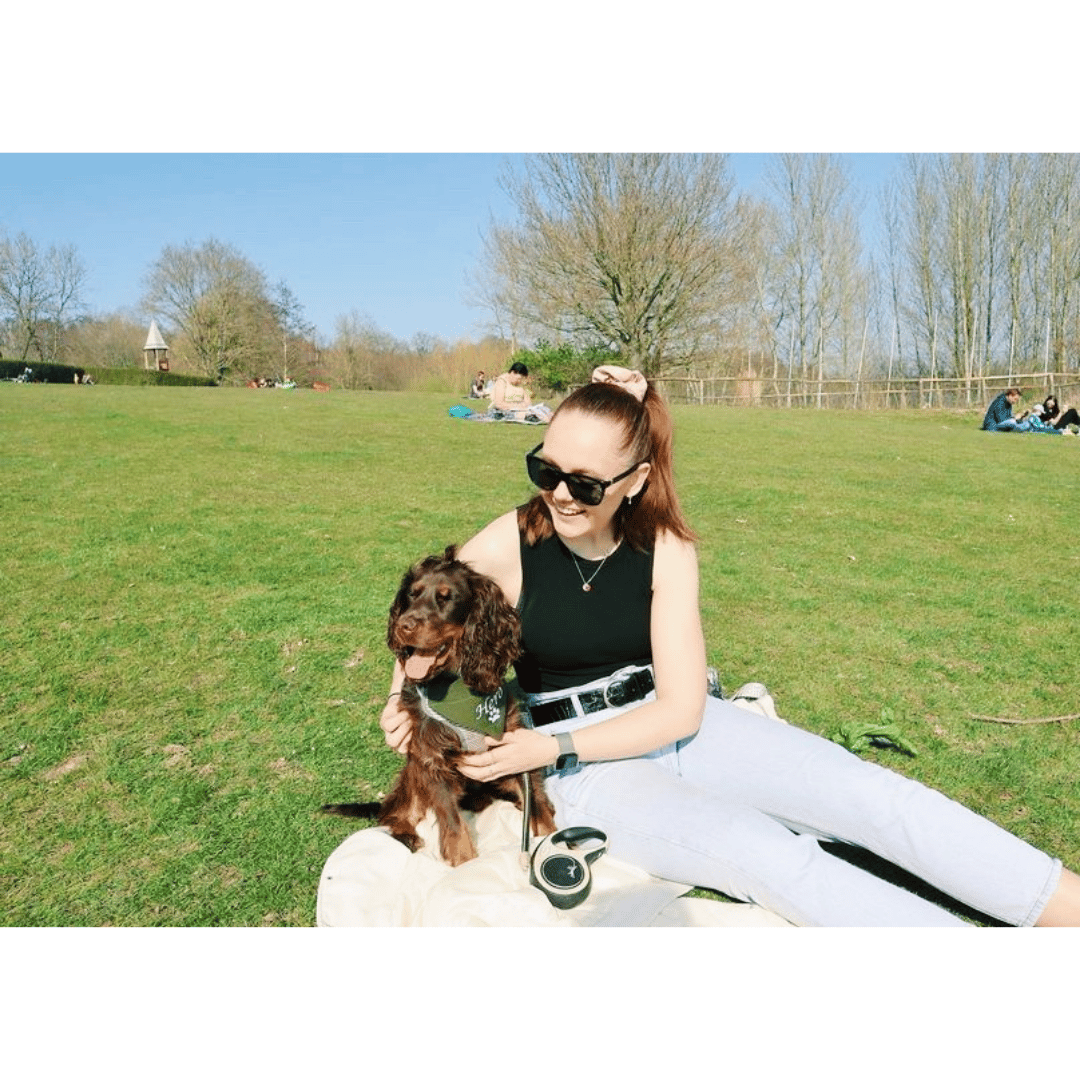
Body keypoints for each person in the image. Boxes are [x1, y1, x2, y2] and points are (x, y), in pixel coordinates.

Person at [379, 364, 1080, 926]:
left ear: (636, 482)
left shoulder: (666, 548)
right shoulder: (513, 539)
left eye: (586, 482)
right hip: (576, 763)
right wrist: (404, 702)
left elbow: (682, 710)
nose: (561, 494)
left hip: (679, 724)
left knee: (871, 796)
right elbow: (421, 614)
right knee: (766, 855)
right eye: (546, 469)